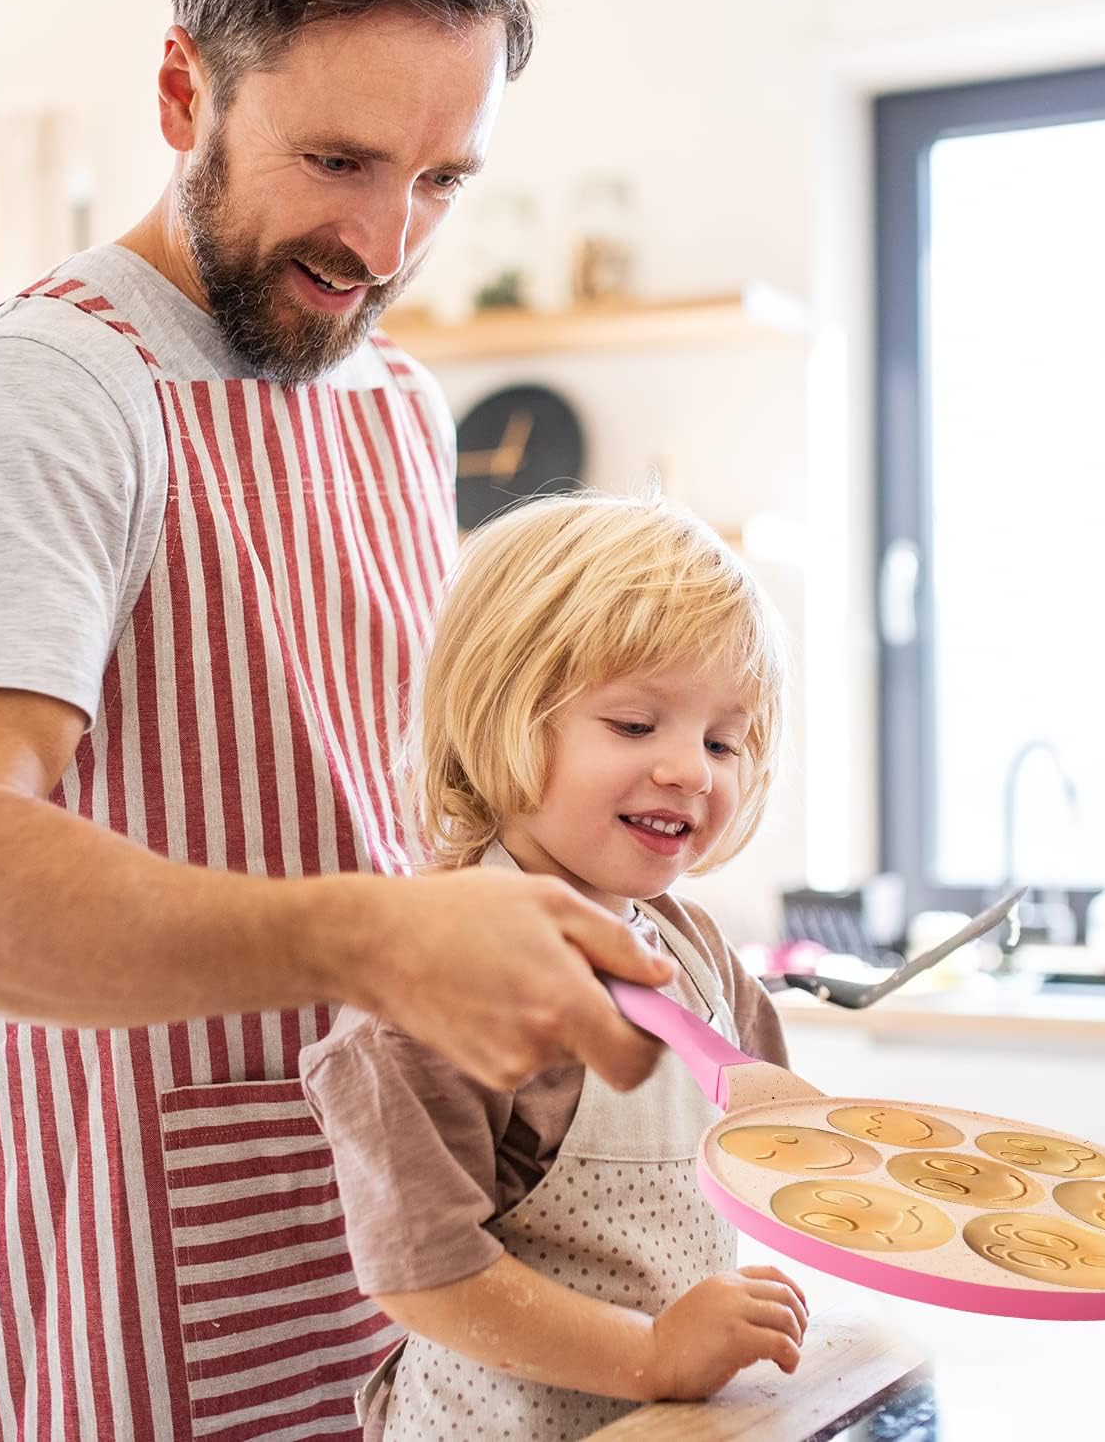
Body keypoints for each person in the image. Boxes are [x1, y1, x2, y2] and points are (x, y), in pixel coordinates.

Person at [0, 0, 676, 1438]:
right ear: (184, 88)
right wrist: (376, 943)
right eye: (337, 160)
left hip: (409, 1245)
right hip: (140, 1266)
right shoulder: (53, 387)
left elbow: (399, 804)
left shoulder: (397, 400)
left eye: (445, 180)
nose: (384, 244)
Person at [300, 492, 810, 1440]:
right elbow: (426, 1277)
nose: (690, 772)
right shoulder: (429, 989)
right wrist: (653, 1352)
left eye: (721, 740)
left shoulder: (696, 953)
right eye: (633, 725)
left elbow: (784, 1137)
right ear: (500, 714)